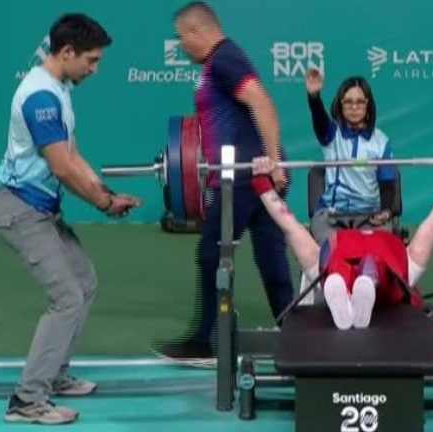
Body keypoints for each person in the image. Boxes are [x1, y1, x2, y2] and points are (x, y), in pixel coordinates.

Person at [0, 13, 140, 424]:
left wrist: (107, 194)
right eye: (91, 60)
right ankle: (26, 399)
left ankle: (53, 375)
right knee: (67, 298)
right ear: (67, 52)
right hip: (20, 211)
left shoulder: (58, 88)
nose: (94, 69)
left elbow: (73, 157)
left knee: (84, 282)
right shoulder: (40, 96)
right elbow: (62, 169)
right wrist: (102, 204)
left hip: (41, 210)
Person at [154, 1, 294, 364]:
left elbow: (262, 103)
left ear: (198, 32)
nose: (180, 46)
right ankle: (294, 332)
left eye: (181, 38)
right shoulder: (219, 61)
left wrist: (273, 161)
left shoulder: (224, 59)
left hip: (245, 175)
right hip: (249, 173)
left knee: (211, 253)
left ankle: (209, 343)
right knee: (270, 253)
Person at [250, 153, 433, 329]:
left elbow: (289, 225)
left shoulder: (322, 259)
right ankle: (360, 284)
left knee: (339, 268)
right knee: (371, 266)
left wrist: (263, 183)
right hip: (386, 273)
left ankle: (345, 285)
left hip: (339, 263)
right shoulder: (407, 267)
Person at [304, 68, 396, 244]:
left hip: (369, 216)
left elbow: (387, 184)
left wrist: (386, 211)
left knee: (372, 255)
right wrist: (314, 97)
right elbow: (320, 120)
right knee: (334, 254)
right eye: (348, 102)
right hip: (332, 216)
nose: (354, 107)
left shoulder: (381, 141)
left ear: (368, 105)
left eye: (360, 102)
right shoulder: (332, 134)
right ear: (340, 105)